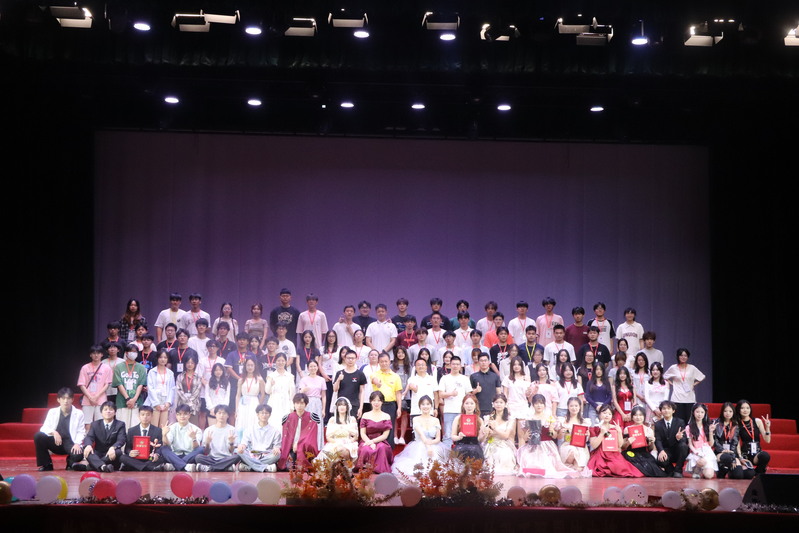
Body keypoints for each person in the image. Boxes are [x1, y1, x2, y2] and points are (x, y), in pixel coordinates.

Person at [516, 394, 577, 478]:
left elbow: (554, 436)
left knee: (547, 467)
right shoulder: (529, 418)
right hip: (533, 446)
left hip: (547, 446)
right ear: (533, 405)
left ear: (544, 405)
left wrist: (551, 431)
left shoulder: (549, 418)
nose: (539, 405)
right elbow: (525, 438)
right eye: (536, 403)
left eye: (541, 403)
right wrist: (526, 435)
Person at [392, 395, 449, 477]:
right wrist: (428, 448)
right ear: (419, 406)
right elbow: (422, 435)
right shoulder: (416, 419)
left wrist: (431, 443)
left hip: (433, 444)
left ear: (431, 406)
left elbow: (438, 438)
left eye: (428, 404)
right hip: (420, 445)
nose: (425, 406)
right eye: (423, 404)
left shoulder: (436, 420)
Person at [34, 387, 85, 471]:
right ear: (58, 400)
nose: (66, 401)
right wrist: (54, 432)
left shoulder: (79, 413)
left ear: (72, 399)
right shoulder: (52, 412)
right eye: (63, 398)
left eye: (68, 398)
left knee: (78, 454)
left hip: (70, 442)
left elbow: (81, 431)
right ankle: (47, 464)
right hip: (56, 441)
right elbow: (44, 427)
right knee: (38, 436)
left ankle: (70, 462)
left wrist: (77, 444)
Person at [587, 403, 643, 478]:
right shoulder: (594, 428)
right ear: (599, 414)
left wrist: (619, 432)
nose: (607, 415)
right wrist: (601, 434)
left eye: (609, 414)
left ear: (612, 416)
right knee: (598, 466)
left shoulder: (615, 428)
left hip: (613, 453)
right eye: (604, 413)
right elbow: (594, 445)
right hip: (599, 454)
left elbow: (620, 445)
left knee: (619, 467)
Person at [76, 401, 126, 472]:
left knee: (118, 452)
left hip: (112, 455)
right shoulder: (95, 424)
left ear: (115, 412)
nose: (108, 411)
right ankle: (103, 467)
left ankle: (92, 466)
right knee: (87, 450)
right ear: (101, 412)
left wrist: (113, 447)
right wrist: (88, 445)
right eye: (105, 409)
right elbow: (89, 437)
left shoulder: (120, 424)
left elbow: (121, 440)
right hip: (98, 453)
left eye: (111, 409)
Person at [663, 348, 706, 424]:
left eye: (685, 355)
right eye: (681, 355)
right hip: (677, 398)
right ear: (678, 356)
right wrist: (672, 384)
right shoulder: (673, 367)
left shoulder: (692, 368)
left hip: (689, 398)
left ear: (688, 357)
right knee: (678, 422)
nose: (683, 357)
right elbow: (664, 377)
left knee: (689, 422)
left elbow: (702, 377)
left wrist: (693, 384)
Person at [77, 345, 113, 431]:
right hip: (87, 399)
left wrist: (96, 397)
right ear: (90, 355)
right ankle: (88, 438)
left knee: (100, 422)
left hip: (101, 399)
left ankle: (99, 439)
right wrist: (90, 397)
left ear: (102, 354)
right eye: (93, 353)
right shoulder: (85, 367)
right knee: (87, 422)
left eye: (98, 353)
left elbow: (107, 384)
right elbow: (81, 384)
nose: (96, 355)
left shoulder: (107, 368)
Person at [237, 403, 282, 472]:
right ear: (257, 414)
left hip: (266, 454)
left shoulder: (275, 431)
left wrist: (277, 449)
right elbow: (244, 443)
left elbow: (277, 446)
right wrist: (241, 447)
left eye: (266, 413)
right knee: (239, 452)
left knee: (277, 455)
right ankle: (265, 468)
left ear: (270, 415)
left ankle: (250, 467)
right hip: (252, 453)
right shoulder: (249, 429)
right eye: (262, 413)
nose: (264, 415)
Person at [622, 405, 665, 477]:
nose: (638, 417)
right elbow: (623, 447)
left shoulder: (649, 430)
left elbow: (650, 449)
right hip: (630, 453)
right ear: (632, 417)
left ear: (644, 417)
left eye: (640, 415)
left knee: (650, 469)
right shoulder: (627, 429)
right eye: (635, 415)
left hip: (644, 454)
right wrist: (628, 442)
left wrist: (652, 442)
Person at [119, 405, 166, 471]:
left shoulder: (158, 430)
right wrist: (130, 452)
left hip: (150, 458)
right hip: (135, 458)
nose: (145, 417)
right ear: (139, 416)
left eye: (148, 415)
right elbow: (127, 449)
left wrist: (156, 454)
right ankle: (149, 468)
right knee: (122, 457)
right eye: (142, 414)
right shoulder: (131, 430)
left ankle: (137, 467)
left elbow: (159, 447)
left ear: (152, 416)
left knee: (162, 459)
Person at [195, 404, 241, 472]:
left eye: (224, 413)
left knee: (237, 457)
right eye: (219, 413)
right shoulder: (208, 430)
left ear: (228, 415)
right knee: (198, 457)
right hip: (211, 458)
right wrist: (207, 443)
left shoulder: (232, 430)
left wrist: (231, 443)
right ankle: (225, 467)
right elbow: (206, 452)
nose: (221, 415)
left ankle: (210, 468)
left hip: (226, 458)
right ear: (215, 415)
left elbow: (231, 451)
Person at [438, 355, 472, 444]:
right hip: (449, 410)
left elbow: (469, 394)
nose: (455, 366)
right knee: (448, 435)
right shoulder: (445, 378)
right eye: (453, 364)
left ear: (460, 366)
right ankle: (447, 452)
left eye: (457, 364)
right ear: (450, 365)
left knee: (463, 433)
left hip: (462, 410)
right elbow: (440, 394)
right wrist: (450, 394)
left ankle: (462, 451)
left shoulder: (465, 378)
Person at [357, 391, 394, 473]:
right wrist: (369, 442)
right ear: (370, 401)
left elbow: (385, 435)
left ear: (382, 402)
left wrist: (373, 441)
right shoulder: (365, 415)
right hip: (366, 439)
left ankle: (379, 470)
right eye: (374, 400)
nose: (376, 403)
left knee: (381, 448)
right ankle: (364, 470)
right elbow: (362, 433)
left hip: (381, 440)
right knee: (366, 449)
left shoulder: (386, 416)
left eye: (379, 400)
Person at [481, 393, 517, 475]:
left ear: (505, 404)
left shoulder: (509, 419)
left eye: (501, 402)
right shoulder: (488, 418)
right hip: (490, 443)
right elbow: (486, 435)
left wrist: (495, 429)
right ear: (493, 404)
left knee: (504, 455)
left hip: (503, 444)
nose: (499, 404)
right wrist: (487, 432)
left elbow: (506, 436)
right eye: (496, 402)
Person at [372, 352, 403, 447]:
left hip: (391, 405)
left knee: (389, 427)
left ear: (390, 361)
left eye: (386, 361)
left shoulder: (395, 376)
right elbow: (374, 380)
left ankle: (389, 449)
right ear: (378, 362)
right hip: (377, 405)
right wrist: (378, 383)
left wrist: (399, 408)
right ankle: (378, 448)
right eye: (381, 361)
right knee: (377, 426)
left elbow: (398, 393)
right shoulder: (375, 374)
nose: (384, 363)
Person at [113, 343, 148, 428]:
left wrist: (134, 399)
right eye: (131, 351)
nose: (133, 353)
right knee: (122, 426)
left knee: (135, 426)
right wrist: (128, 399)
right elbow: (119, 384)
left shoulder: (141, 368)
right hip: (122, 401)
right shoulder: (118, 367)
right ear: (126, 353)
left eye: (135, 352)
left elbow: (141, 384)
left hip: (137, 402)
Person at [161, 403, 203, 471]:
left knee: (201, 449)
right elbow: (167, 444)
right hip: (175, 455)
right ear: (176, 416)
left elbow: (196, 448)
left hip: (189, 455)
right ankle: (185, 466)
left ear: (189, 415)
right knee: (164, 448)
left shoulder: (196, 429)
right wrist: (164, 435)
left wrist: (193, 438)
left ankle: (175, 465)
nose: (182, 416)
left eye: (185, 414)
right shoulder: (171, 428)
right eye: (179, 414)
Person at [654, 400, 690, 477]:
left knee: (683, 446)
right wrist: (661, 451)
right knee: (661, 460)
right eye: (664, 408)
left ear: (673, 411)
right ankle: (669, 469)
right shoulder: (658, 424)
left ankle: (678, 470)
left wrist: (678, 438)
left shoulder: (680, 422)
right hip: (666, 450)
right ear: (661, 411)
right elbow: (658, 440)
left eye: (668, 408)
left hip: (677, 450)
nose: (666, 410)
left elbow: (684, 439)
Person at [713, 401, 748, 479]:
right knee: (727, 458)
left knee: (739, 475)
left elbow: (735, 441)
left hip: (732, 452)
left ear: (733, 412)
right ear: (722, 412)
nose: (728, 413)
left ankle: (728, 470)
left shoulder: (735, 424)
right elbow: (715, 440)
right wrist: (722, 450)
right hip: (719, 452)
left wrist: (733, 455)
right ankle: (721, 470)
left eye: (730, 411)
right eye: (725, 411)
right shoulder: (716, 423)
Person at [736, 399, 771, 475]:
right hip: (745, 454)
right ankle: (752, 471)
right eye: (742, 408)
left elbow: (767, 440)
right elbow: (737, 442)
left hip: (756, 454)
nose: (745, 410)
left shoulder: (757, 421)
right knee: (749, 474)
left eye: (747, 408)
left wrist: (767, 427)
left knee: (765, 455)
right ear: (738, 410)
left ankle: (758, 472)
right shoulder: (737, 423)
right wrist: (740, 457)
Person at [556, 396, 591, 472]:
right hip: (567, 445)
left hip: (580, 447)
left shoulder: (584, 422)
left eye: (576, 406)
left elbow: (586, 440)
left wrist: (587, 435)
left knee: (578, 469)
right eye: (571, 406)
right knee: (572, 451)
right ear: (568, 407)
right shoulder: (563, 420)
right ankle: (569, 466)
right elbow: (558, 437)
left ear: (579, 407)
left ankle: (574, 467)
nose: (574, 408)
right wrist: (561, 433)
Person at [299, 359, 327, 449]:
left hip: (317, 403)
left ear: (317, 367)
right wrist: (303, 390)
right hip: (307, 403)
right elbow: (300, 393)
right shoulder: (304, 379)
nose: (313, 368)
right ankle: (305, 445)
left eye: (314, 366)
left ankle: (317, 446)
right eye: (310, 366)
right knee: (306, 424)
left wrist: (323, 409)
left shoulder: (321, 380)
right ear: (307, 368)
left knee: (317, 424)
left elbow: (323, 396)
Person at [685, 403, 718, 479]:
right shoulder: (689, 427)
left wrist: (711, 431)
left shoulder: (708, 426)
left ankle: (703, 470)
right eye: (697, 412)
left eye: (702, 412)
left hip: (707, 452)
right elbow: (690, 444)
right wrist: (696, 453)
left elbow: (711, 444)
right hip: (696, 451)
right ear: (693, 412)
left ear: (705, 413)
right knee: (701, 462)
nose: (699, 414)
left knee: (709, 475)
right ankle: (697, 470)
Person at [144, 350, 175, 428]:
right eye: (161, 357)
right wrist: (156, 403)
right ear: (157, 358)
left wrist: (168, 402)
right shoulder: (152, 372)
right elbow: (150, 388)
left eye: (165, 357)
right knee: (153, 425)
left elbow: (172, 389)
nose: (163, 359)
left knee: (163, 426)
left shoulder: (170, 373)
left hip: (165, 401)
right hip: (154, 400)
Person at [265, 353, 296, 430]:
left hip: (286, 403)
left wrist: (292, 406)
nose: (280, 363)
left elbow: (292, 393)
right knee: (273, 423)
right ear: (275, 362)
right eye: (278, 360)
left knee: (285, 425)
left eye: (282, 361)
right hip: (274, 402)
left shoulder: (290, 376)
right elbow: (267, 391)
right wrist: (271, 384)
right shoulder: (271, 376)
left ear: (285, 362)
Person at [333, 350, 366, 418]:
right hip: (341, 405)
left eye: (352, 358)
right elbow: (335, 389)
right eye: (348, 358)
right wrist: (338, 379)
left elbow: (362, 392)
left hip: (354, 405)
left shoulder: (360, 374)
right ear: (345, 359)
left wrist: (361, 408)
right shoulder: (339, 373)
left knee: (353, 424)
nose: (350, 360)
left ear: (356, 359)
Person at [451, 393, 484, 461]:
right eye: (467, 403)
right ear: (463, 405)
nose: (469, 406)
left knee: (474, 451)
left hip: (475, 446)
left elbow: (480, 439)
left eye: (472, 403)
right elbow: (453, 436)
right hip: (461, 444)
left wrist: (484, 434)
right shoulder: (458, 418)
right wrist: (459, 437)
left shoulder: (479, 420)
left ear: (475, 405)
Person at [236, 357, 266, 431]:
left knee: (253, 421)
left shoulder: (259, 379)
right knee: (242, 421)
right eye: (248, 365)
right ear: (245, 366)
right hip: (243, 403)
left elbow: (263, 394)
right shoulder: (241, 380)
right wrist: (237, 409)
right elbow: (238, 395)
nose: (250, 367)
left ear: (255, 366)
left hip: (254, 402)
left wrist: (259, 405)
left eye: (252, 365)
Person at [175, 353, 203, 426]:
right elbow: (178, 389)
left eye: (192, 363)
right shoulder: (180, 376)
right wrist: (186, 401)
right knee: (182, 424)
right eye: (188, 362)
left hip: (194, 405)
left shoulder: (198, 377)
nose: (190, 364)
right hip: (182, 403)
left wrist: (190, 402)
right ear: (185, 363)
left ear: (195, 364)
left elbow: (197, 390)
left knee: (193, 425)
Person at [392, 346, 412, 444]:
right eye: (398, 352)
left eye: (402, 352)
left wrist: (405, 392)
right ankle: (395, 436)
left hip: (405, 394)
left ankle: (402, 437)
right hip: (394, 394)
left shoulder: (409, 367)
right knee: (395, 414)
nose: (400, 354)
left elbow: (410, 380)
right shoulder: (392, 366)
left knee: (404, 415)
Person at [502, 356, 533, 420]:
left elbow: (528, 395)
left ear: (521, 366)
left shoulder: (526, 378)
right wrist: (506, 406)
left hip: (523, 406)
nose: (516, 367)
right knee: (511, 425)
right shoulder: (507, 378)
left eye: (518, 365)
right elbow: (505, 394)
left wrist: (531, 391)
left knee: (522, 425)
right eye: (514, 365)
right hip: (511, 406)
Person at [205, 362, 231, 427]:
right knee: (212, 429)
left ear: (223, 371)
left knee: (222, 428)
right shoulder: (209, 382)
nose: (218, 372)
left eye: (220, 370)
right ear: (213, 371)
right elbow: (207, 395)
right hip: (212, 409)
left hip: (223, 409)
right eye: (216, 370)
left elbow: (227, 396)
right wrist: (211, 408)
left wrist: (224, 408)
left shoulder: (227, 382)